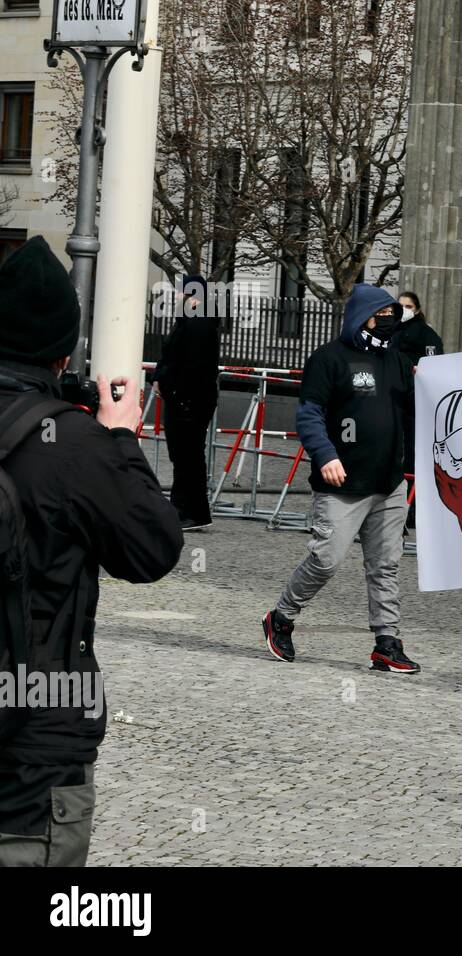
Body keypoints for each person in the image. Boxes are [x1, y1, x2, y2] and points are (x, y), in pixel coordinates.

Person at [0, 237, 183, 866]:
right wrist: (120, 440)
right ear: (62, 351)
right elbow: (153, 548)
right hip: (33, 744)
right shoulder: (75, 446)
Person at [262, 284, 420, 674]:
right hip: (341, 483)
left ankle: (387, 642)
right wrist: (326, 454)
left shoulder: (397, 362)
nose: (388, 321)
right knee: (326, 559)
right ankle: (281, 618)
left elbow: (419, 408)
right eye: (381, 314)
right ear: (361, 316)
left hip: (389, 484)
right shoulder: (328, 359)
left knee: (385, 565)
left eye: (392, 314)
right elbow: (309, 415)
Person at [151, 274, 221, 530]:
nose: (178, 297)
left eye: (182, 293)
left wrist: (175, 391)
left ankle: (190, 511)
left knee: (187, 456)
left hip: (189, 400)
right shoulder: (192, 322)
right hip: (187, 398)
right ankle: (185, 509)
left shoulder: (197, 324)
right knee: (185, 456)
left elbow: (190, 365)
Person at [392, 290, 443, 530]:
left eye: (408, 305)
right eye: (400, 305)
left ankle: (411, 508)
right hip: (392, 401)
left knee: (411, 458)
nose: (404, 309)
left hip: (414, 406)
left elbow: (433, 368)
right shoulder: (390, 331)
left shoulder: (427, 335)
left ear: (417, 308)